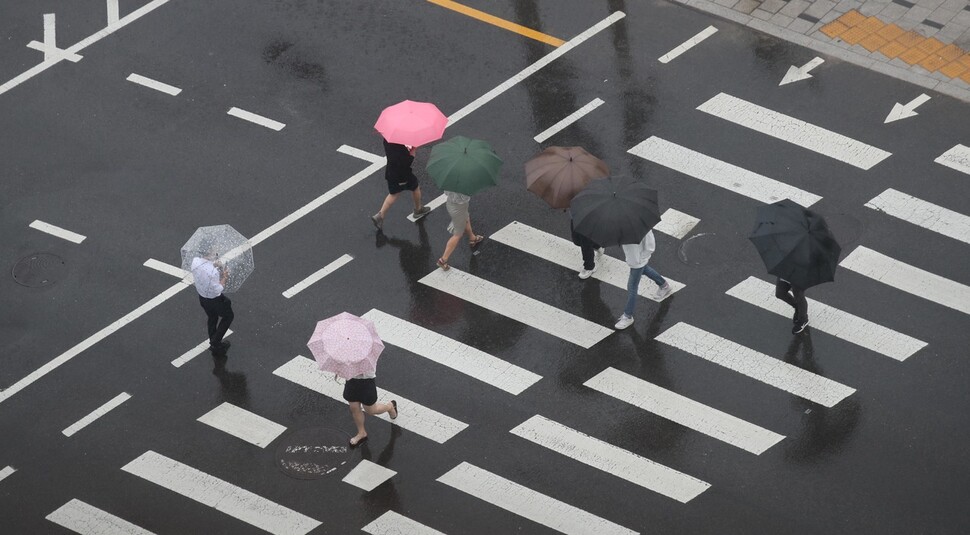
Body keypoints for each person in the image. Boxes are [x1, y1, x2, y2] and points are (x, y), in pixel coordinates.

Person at [614, 230, 671, 330]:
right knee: (645, 270)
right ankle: (664, 285)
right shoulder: (623, 228)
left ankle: (628, 316)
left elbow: (650, 246)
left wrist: (641, 259)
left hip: (638, 262)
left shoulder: (642, 228)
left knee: (632, 287)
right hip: (634, 261)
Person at [371, 138, 431, 229]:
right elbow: (407, 161)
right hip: (402, 175)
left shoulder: (387, 141)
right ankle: (418, 209)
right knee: (415, 187)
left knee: (393, 193)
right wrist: (413, 151)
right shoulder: (400, 150)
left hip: (390, 172)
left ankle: (380, 215)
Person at [191, 253, 234, 353]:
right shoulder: (213, 272)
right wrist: (225, 276)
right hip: (214, 300)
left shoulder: (195, 261)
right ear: (209, 252)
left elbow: (204, 270)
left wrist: (213, 264)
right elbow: (218, 288)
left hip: (202, 297)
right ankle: (215, 342)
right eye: (213, 251)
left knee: (212, 317)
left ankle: (213, 341)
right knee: (228, 316)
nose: (215, 253)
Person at [342, 372, 398, 447]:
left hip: (366, 382)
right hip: (351, 380)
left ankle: (390, 407)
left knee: (371, 410)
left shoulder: (367, 360)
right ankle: (361, 433)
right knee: (354, 408)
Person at [436, 190, 484, 270]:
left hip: (451, 204)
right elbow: (467, 195)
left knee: (466, 220)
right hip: (459, 208)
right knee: (458, 234)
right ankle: (443, 260)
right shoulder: (464, 186)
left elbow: (446, 192)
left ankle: (473, 238)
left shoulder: (450, 181)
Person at [569, 209, 604, 279]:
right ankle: (597, 245)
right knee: (577, 240)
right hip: (575, 215)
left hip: (587, 218)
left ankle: (590, 266)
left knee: (585, 242)